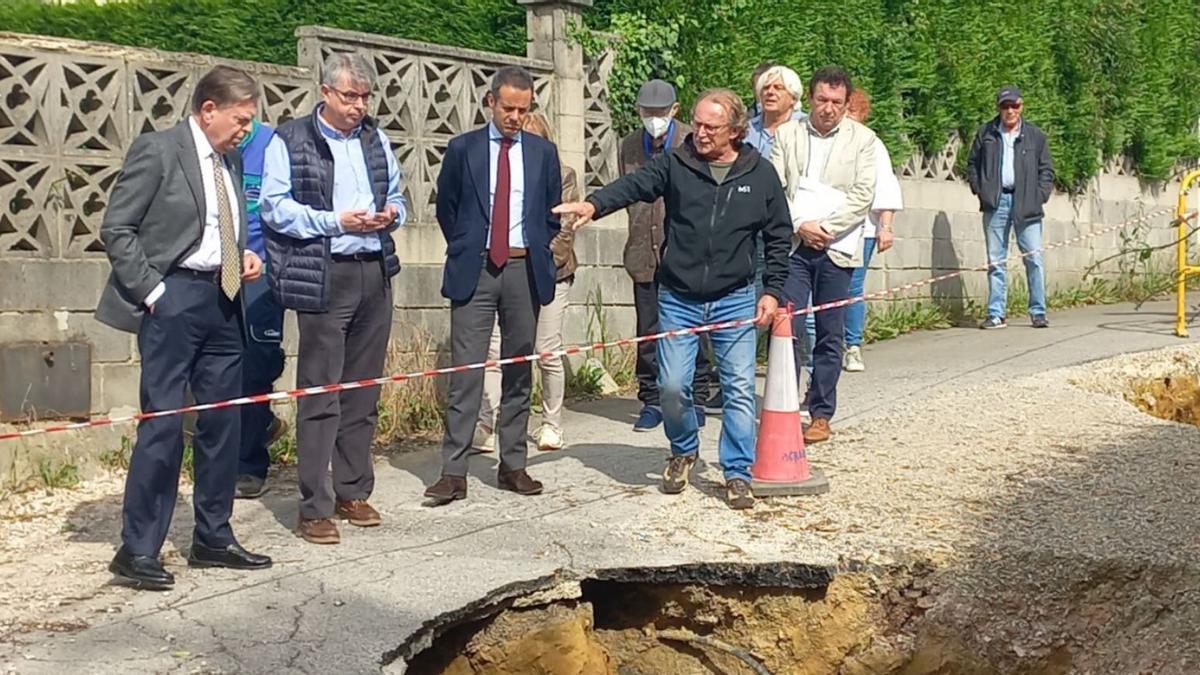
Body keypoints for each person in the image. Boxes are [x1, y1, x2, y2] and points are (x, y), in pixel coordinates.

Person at [555, 88, 791, 510]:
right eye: (697, 123)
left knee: (738, 388)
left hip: (735, 297)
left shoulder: (761, 175)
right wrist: (593, 204)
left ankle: (736, 472)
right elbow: (635, 185)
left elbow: (777, 237)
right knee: (673, 386)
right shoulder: (676, 163)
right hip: (679, 296)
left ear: (735, 131)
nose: (699, 133)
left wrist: (772, 292)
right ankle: (683, 449)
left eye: (710, 127)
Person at [96, 65, 272, 590]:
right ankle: (138, 548)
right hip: (172, 299)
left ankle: (213, 537)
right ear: (208, 109)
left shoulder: (231, 159)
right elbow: (117, 227)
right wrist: (154, 292)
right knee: (165, 423)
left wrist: (242, 256)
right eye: (240, 120)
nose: (247, 130)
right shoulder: (158, 150)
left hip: (224, 298)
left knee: (223, 424)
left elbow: (217, 227)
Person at [261, 52, 407, 545]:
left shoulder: (376, 138)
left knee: (363, 391)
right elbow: (275, 208)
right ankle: (313, 505)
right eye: (349, 96)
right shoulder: (291, 139)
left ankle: (353, 490)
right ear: (326, 93)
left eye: (365, 97)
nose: (359, 106)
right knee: (321, 391)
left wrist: (392, 216)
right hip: (323, 272)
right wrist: (333, 223)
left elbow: (400, 196)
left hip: (374, 270)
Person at [425, 66, 562, 506]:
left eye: (524, 109)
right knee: (466, 372)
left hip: (524, 270)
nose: (516, 117)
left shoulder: (543, 153)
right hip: (476, 268)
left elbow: (550, 212)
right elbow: (447, 208)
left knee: (519, 369)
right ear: (490, 103)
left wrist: (534, 249)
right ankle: (454, 471)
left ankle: (513, 465)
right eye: (508, 108)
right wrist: (469, 247)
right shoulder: (463, 149)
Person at [769, 65, 877, 444]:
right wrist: (801, 224)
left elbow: (864, 195)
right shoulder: (786, 135)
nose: (828, 108)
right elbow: (774, 187)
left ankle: (820, 412)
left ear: (847, 104)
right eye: (821, 100)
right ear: (809, 100)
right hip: (796, 246)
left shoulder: (864, 141)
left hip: (838, 247)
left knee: (831, 332)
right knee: (789, 325)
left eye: (836, 102)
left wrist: (827, 229)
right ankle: (783, 404)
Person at [473, 111, 580, 453]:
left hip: (550, 272)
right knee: (494, 351)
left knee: (546, 349)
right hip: (503, 271)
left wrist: (540, 266)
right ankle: (486, 422)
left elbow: (564, 229)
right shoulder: (496, 170)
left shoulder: (563, 175)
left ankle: (551, 424)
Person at [618, 79, 714, 432]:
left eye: (660, 112)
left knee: (696, 328)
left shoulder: (692, 141)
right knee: (648, 329)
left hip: (685, 251)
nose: (653, 118)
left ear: (674, 110)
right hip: (643, 249)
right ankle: (651, 399)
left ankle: (697, 396)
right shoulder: (629, 146)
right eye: (647, 112)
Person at [966, 86, 1055, 330]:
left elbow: (1046, 170)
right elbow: (972, 164)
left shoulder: (1036, 136)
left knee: (1034, 259)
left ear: (1021, 106)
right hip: (996, 202)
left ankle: (1038, 311)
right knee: (996, 261)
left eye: (1014, 105)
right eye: (1005, 106)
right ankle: (996, 314)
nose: (1010, 111)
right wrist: (980, 189)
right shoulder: (986, 133)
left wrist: (1040, 196)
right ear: (998, 108)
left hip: (1027, 203)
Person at [234, 118, 288, 499]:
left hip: (264, 276)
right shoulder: (204, 145)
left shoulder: (275, 145)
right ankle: (255, 429)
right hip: (212, 271)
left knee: (257, 367)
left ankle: (249, 465)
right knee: (216, 367)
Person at [841, 89, 903, 373]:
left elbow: (886, 187)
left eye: (852, 112)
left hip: (863, 228)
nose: (847, 117)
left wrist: (886, 226)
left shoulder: (872, 144)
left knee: (852, 288)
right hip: (830, 227)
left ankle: (852, 346)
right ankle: (822, 347)